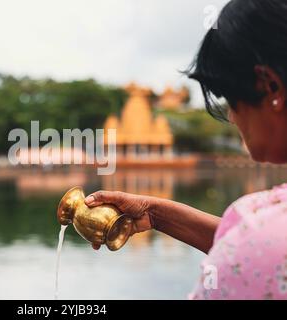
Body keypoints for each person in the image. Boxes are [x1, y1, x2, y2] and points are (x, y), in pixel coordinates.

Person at [85, 0, 287, 300]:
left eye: (230, 98)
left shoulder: (260, 239)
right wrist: (156, 214)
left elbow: (258, 247)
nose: (231, 116)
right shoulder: (263, 232)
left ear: (270, 87)